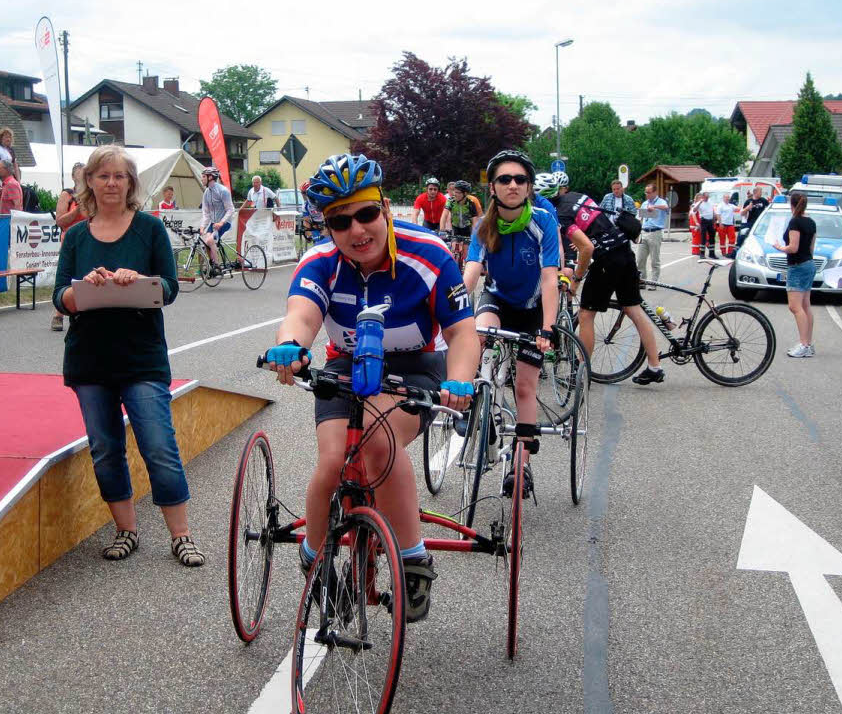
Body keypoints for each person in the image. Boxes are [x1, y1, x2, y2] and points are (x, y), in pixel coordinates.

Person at [266, 152, 479, 622]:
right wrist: (290, 346)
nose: (357, 231)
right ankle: (315, 560)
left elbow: (464, 332)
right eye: (341, 222)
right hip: (346, 366)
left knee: (379, 443)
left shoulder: (429, 254)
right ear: (327, 227)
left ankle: (413, 559)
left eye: (366, 214)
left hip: (415, 366)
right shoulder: (321, 262)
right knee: (333, 458)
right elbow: (300, 315)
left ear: (385, 208)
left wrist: (460, 379)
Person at [52, 144, 203, 566]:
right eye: (103, 176)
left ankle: (182, 535)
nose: (112, 183)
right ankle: (126, 530)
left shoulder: (150, 229)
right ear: (90, 183)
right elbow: (59, 297)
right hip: (89, 359)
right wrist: (84, 287)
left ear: (131, 183)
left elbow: (170, 288)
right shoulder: (78, 235)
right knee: (105, 448)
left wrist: (140, 280)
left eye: (120, 176)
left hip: (142, 357)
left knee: (158, 444)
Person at [463, 149, 561, 496]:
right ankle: (477, 404)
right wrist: (456, 304)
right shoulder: (483, 226)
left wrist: (547, 329)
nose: (513, 185)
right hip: (497, 300)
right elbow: (472, 272)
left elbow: (550, 278)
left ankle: (522, 467)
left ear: (529, 186)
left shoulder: (544, 222)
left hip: (532, 309)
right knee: (474, 337)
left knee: (523, 387)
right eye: (505, 179)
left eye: (520, 179)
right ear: (493, 188)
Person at [541, 171, 665, 386]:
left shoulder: (559, 213)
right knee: (633, 309)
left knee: (586, 315)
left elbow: (587, 248)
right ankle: (655, 366)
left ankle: (582, 374)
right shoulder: (576, 196)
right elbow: (593, 224)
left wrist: (577, 279)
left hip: (607, 260)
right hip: (624, 250)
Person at [772, 192, 817, 358]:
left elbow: (793, 247)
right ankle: (808, 344)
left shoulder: (795, 222)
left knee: (795, 306)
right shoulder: (811, 222)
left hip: (797, 265)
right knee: (806, 305)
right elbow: (811, 248)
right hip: (809, 264)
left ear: (791, 204)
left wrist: (779, 247)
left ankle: (803, 344)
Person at [52, 162, 87, 332]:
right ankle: (58, 313)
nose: (82, 178)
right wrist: (76, 210)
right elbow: (60, 220)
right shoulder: (67, 195)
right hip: (70, 240)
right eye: (79, 174)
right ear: (73, 177)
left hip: (89, 239)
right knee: (67, 276)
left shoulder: (92, 194)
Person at [198, 166, 234, 274]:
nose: (202, 179)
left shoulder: (223, 191)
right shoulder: (206, 193)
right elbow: (206, 213)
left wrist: (221, 222)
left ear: (211, 177)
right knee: (204, 241)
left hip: (224, 222)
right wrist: (202, 226)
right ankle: (212, 263)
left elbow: (231, 209)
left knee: (210, 241)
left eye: (204, 177)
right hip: (213, 223)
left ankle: (217, 267)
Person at [636, 183, 668, 289]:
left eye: (649, 192)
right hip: (644, 232)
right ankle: (642, 280)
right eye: (646, 192)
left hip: (655, 232)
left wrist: (654, 207)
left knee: (654, 259)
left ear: (655, 192)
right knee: (640, 258)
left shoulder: (661, 202)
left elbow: (666, 207)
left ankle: (653, 283)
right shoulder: (645, 203)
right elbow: (639, 217)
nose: (647, 194)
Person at [696, 192, 716, 259]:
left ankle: (712, 253)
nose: (707, 198)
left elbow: (712, 211)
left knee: (712, 237)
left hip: (710, 221)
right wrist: (699, 203)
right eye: (706, 197)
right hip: (704, 220)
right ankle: (702, 254)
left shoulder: (710, 202)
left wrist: (714, 220)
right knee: (703, 237)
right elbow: (694, 209)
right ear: (703, 197)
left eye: (708, 197)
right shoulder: (700, 203)